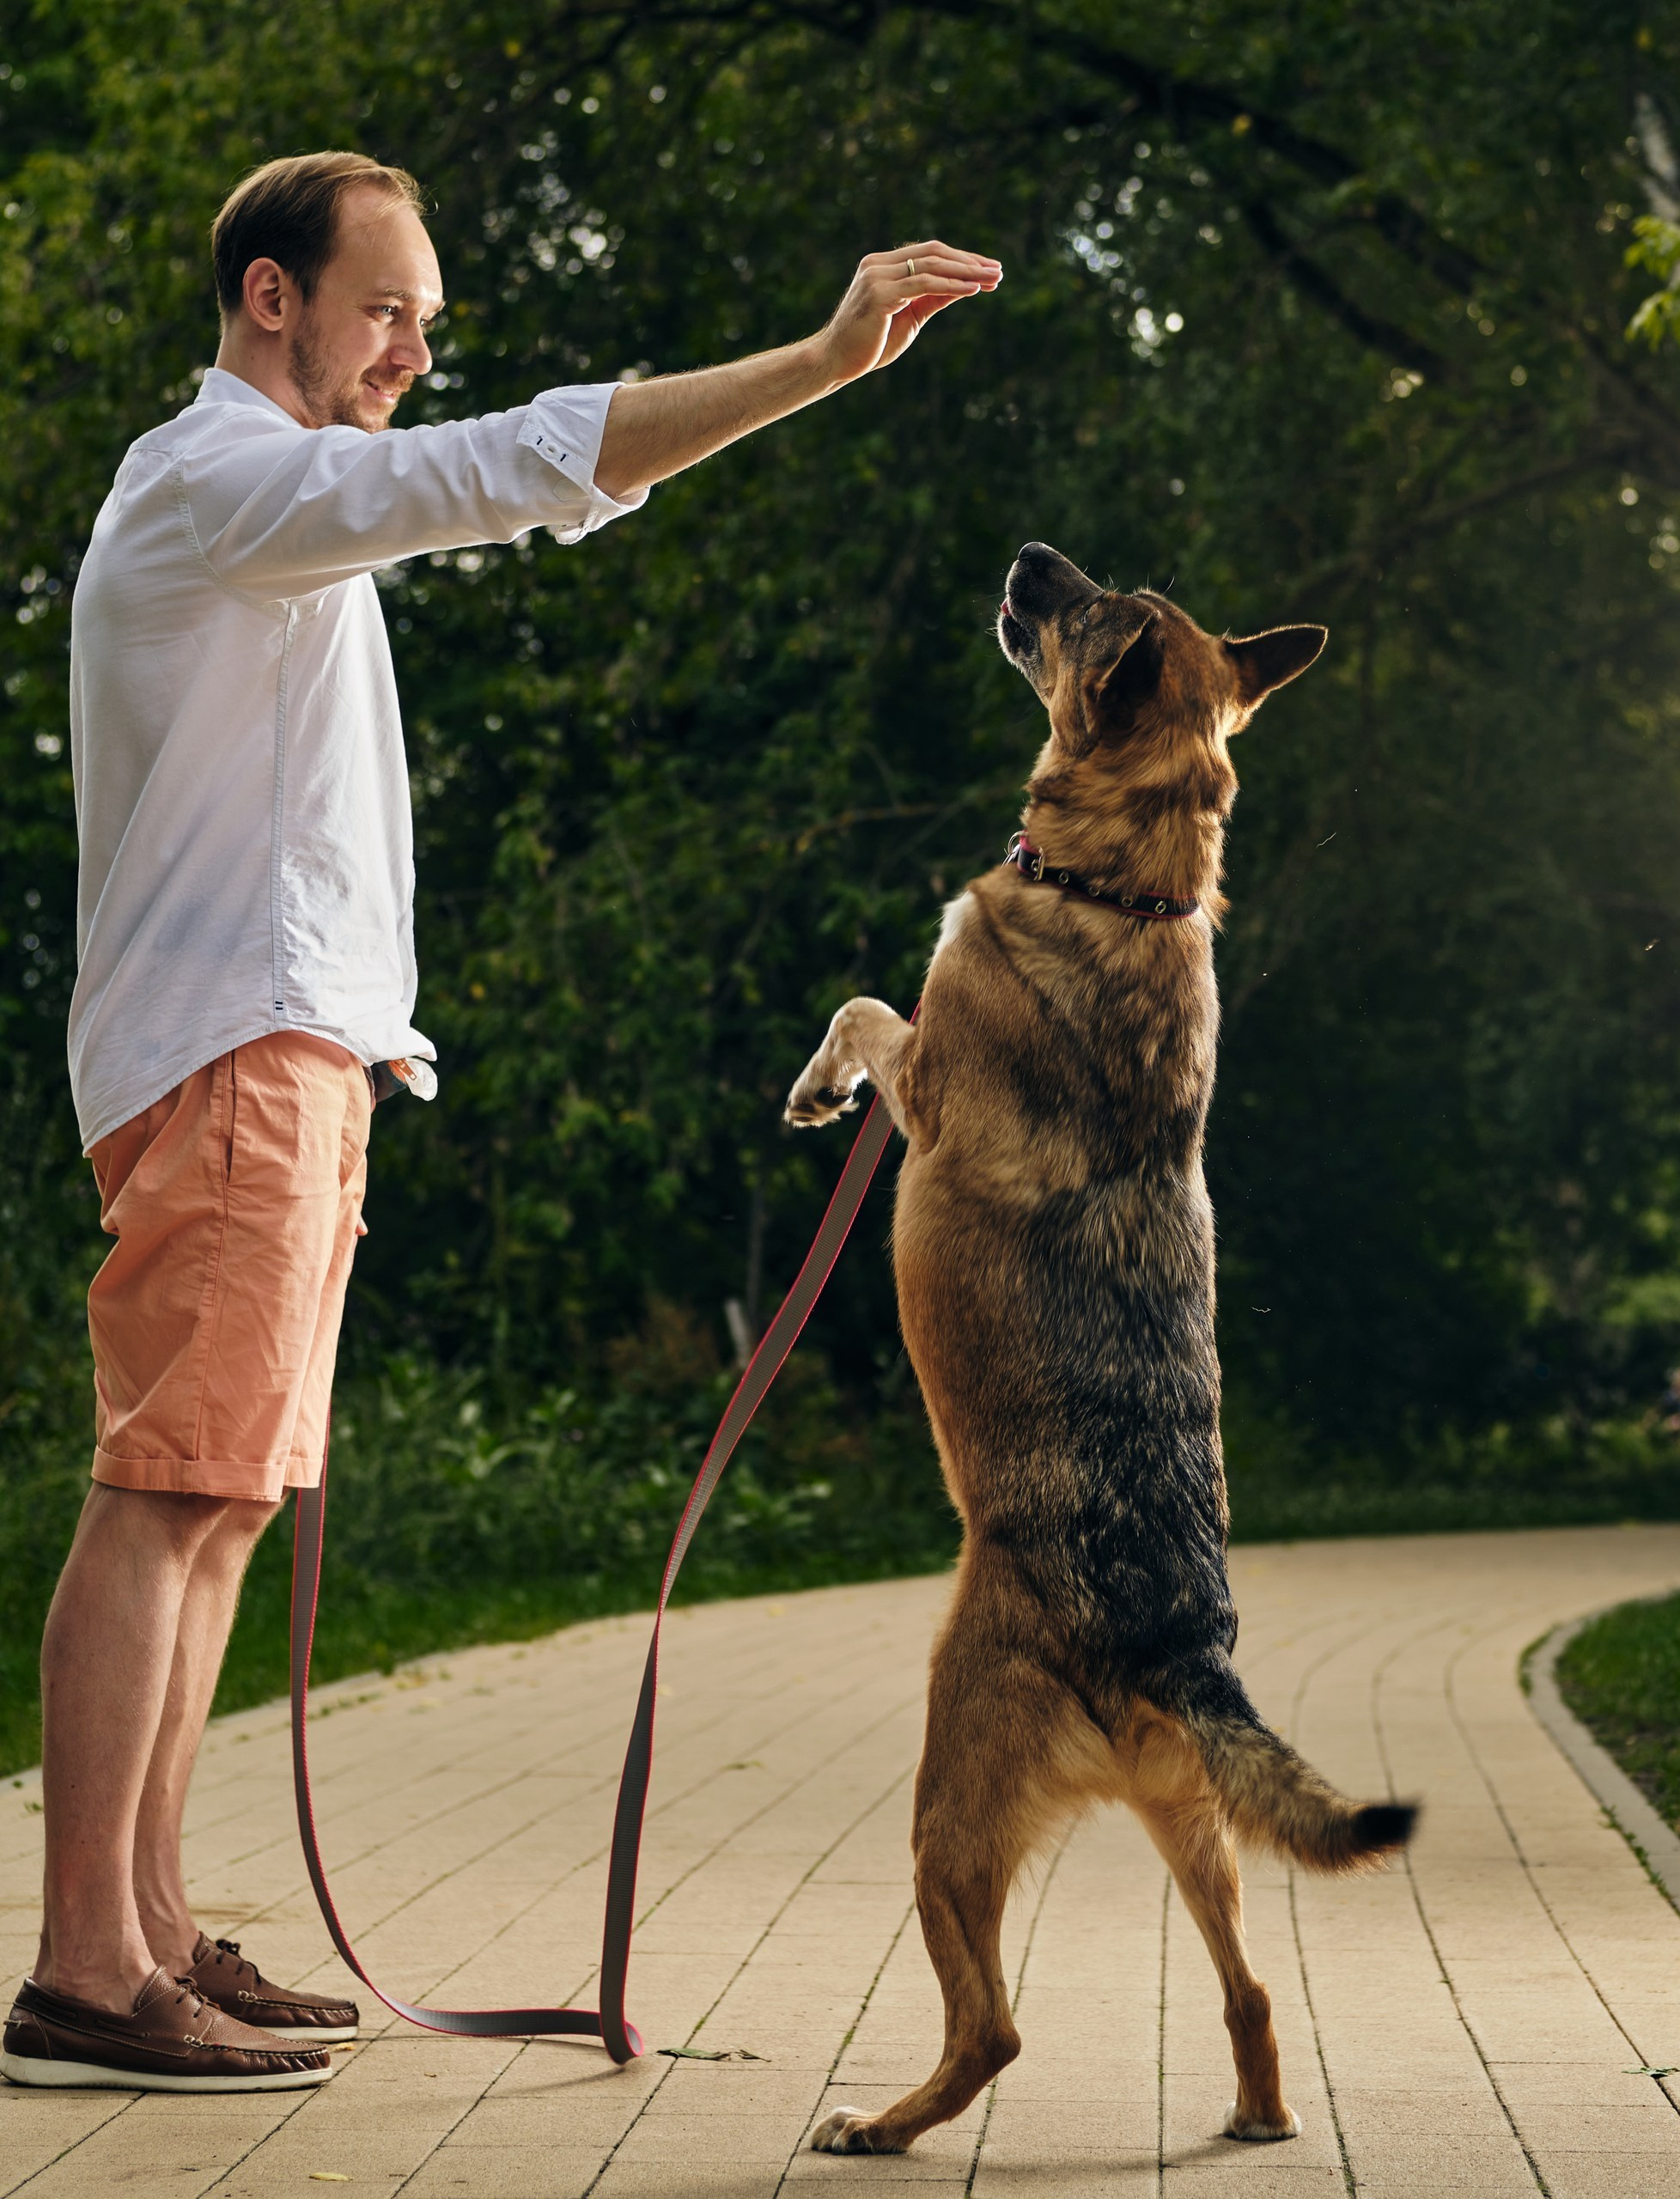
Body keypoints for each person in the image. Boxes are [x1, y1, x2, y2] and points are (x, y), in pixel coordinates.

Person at [1, 150, 1000, 2094]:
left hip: (290, 1055)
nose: (416, 346)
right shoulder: (217, 482)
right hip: (235, 1053)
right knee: (167, 1492)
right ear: (271, 297)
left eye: (426, 316)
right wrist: (819, 354)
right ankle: (80, 1967)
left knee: (215, 1507)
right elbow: (512, 467)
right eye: (387, 308)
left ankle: (154, 1927)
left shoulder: (272, 519)